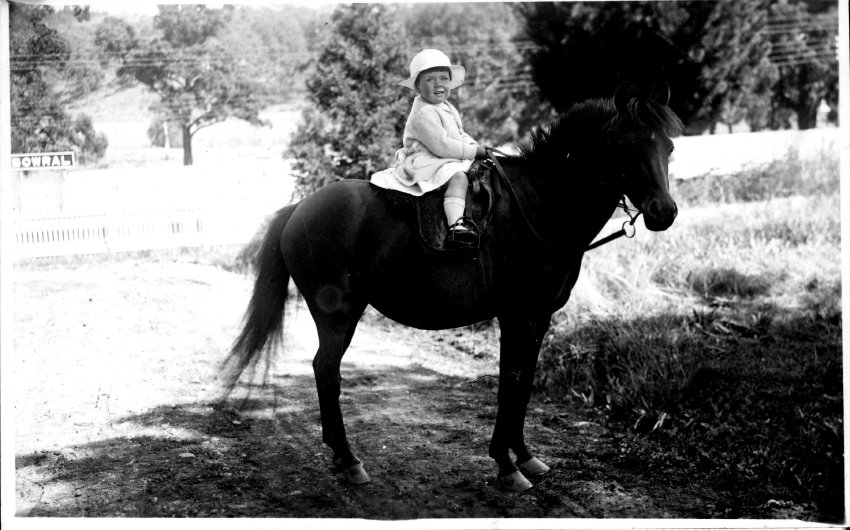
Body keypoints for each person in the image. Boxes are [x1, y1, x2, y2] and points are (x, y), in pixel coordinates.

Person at [371, 49, 487, 246]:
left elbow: (459, 135)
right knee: (458, 177)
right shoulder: (424, 113)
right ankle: (455, 225)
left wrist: (476, 146)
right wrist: (473, 152)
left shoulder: (447, 107)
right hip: (428, 159)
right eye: (430, 80)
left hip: (444, 155)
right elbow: (442, 146)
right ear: (417, 86)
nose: (439, 84)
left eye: (443, 78)